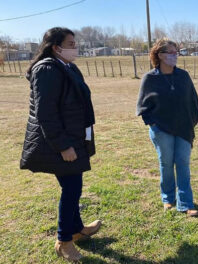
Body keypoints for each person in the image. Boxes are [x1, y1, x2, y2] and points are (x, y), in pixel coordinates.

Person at [20, 27, 102, 262]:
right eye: (71, 44)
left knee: (74, 185)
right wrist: (63, 146)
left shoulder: (66, 66)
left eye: (75, 43)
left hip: (74, 137)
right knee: (72, 188)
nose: (75, 48)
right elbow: (46, 113)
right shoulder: (46, 69)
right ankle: (64, 240)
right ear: (56, 47)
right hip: (59, 142)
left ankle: (77, 229)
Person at [136, 38, 198, 217]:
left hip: (184, 129)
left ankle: (186, 203)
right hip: (161, 130)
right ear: (160, 55)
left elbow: (193, 100)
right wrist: (153, 124)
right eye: (171, 53)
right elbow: (142, 106)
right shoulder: (150, 78)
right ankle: (168, 198)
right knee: (165, 163)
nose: (175, 56)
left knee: (182, 164)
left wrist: (192, 120)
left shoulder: (183, 76)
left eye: (176, 52)